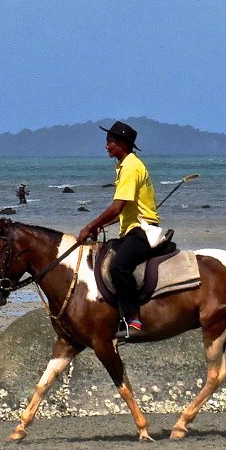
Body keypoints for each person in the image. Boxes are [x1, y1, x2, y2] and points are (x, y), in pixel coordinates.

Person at [76, 121, 159, 339]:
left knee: (118, 267)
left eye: (109, 142)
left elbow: (116, 207)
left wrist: (90, 227)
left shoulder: (131, 167)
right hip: (131, 228)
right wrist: (101, 226)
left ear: (121, 144)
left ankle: (134, 320)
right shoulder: (124, 165)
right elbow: (124, 212)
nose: (106, 146)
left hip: (142, 230)